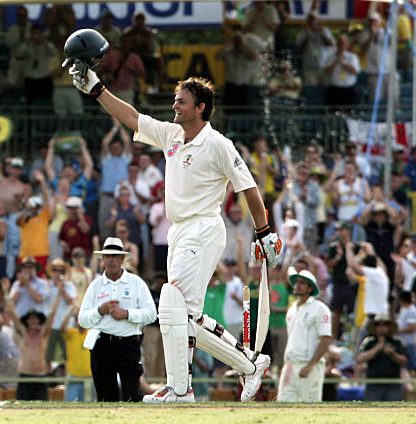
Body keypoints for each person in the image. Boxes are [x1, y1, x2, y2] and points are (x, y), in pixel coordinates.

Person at [66, 31, 278, 403]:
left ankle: (181, 389)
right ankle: (248, 364)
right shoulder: (171, 135)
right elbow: (131, 117)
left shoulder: (218, 144)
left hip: (204, 228)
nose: (175, 107)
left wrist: (264, 233)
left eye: (181, 103)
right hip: (178, 231)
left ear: (201, 108)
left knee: (171, 302)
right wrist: (96, 88)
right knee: (187, 317)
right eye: (175, 101)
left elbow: (248, 187)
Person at [76, 237, 156, 402]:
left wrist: (126, 314)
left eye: (114, 256)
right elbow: (82, 320)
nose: (111, 260)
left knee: (132, 396)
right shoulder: (95, 286)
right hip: (102, 344)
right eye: (107, 256)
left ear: (122, 259)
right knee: (105, 398)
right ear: (103, 260)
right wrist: (100, 310)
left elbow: (151, 314)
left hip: (128, 343)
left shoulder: (136, 283)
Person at [277, 269, 331, 403]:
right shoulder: (292, 309)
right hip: (290, 364)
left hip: (310, 365)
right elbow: (293, 339)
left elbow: (325, 339)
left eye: (302, 283)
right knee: (283, 404)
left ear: (310, 288)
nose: (297, 285)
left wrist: (310, 365)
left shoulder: (319, 308)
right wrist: (286, 363)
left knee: (311, 405)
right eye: (296, 282)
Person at [357, 315, 409, 401]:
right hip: (373, 384)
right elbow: (360, 358)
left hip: (393, 384)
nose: (382, 327)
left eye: (385, 324)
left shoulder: (396, 342)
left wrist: (392, 354)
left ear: (389, 327)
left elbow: (404, 361)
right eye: (379, 324)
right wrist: (377, 348)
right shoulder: (369, 342)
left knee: (395, 410)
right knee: (371, 411)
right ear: (375, 327)